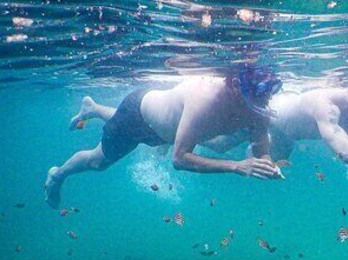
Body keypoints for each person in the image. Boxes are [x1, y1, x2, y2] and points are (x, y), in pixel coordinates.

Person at [43, 66, 284, 208]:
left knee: (209, 144)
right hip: (137, 115)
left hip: (164, 128)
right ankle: (57, 174)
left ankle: (93, 109)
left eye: (268, 94)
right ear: (233, 85)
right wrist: (236, 166)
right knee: (98, 162)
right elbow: (179, 159)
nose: (264, 102)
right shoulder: (206, 101)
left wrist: (267, 164)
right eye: (258, 94)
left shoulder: (257, 106)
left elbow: (261, 148)